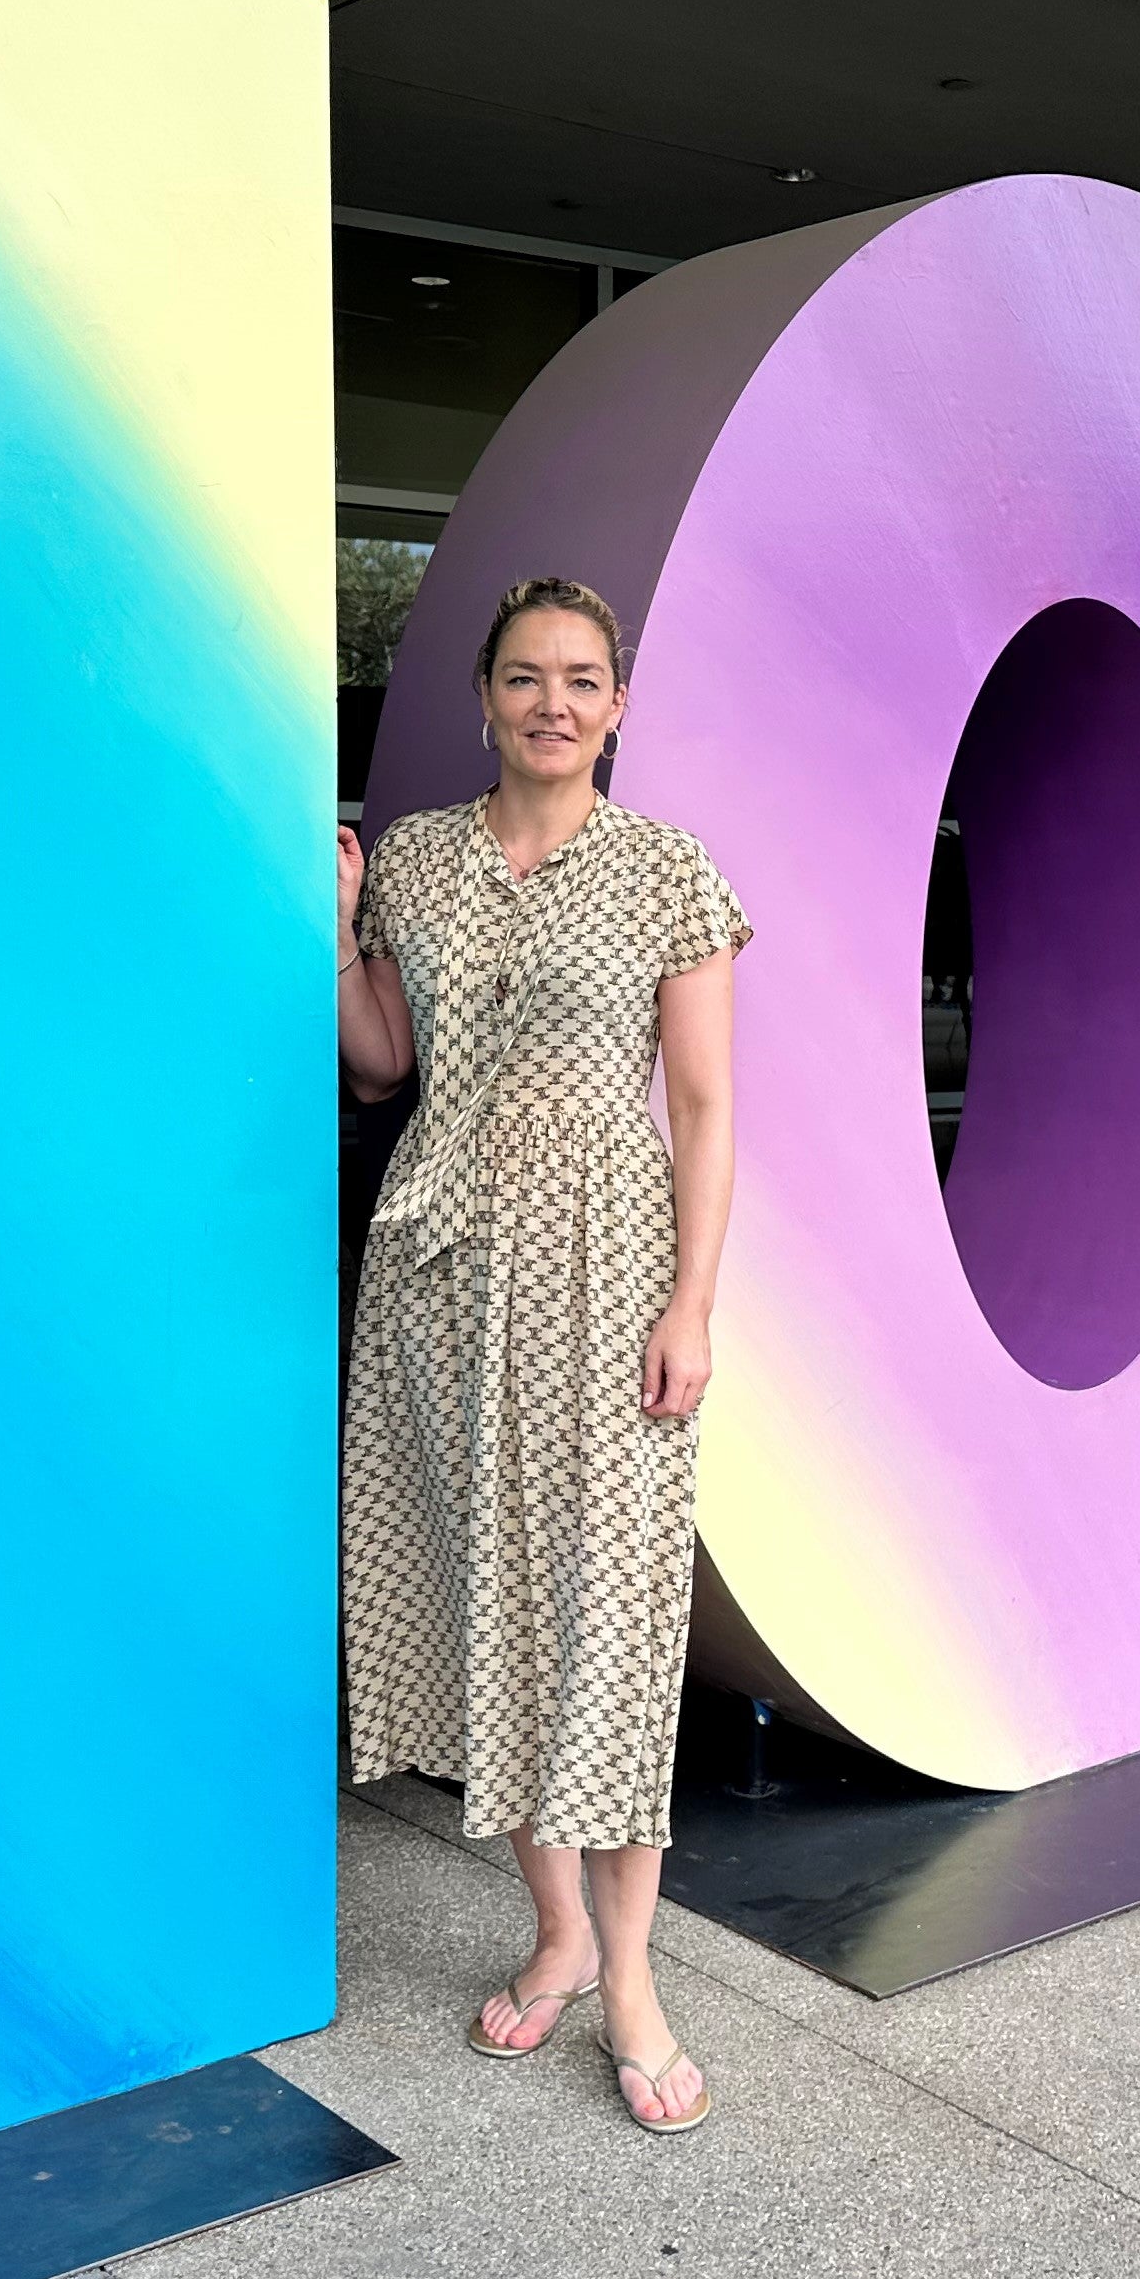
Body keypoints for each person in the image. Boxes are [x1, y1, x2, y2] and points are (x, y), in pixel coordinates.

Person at [335, 576, 748, 2137]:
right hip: (440, 1273)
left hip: (606, 1275)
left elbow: (703, 1108)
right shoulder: (424, 860)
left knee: (613, 1621)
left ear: (619, 703)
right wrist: (335, 929)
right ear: (487, 695)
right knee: (487, 1599)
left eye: (582, 679)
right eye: (526, 678)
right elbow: (384, 1062)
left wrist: (691, 1302)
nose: (553, 703)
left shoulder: (669, 876)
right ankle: (559, 1928)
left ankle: (632, 1976)